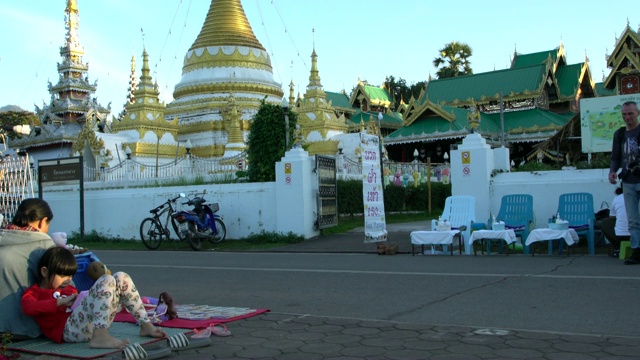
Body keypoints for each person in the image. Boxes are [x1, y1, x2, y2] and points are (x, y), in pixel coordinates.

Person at [21, 246, 166, 348]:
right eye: (62, 275)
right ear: (45, 272)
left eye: (70, 275)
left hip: (89, 324)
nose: (67, 279)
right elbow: (28, 307)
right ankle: (100, 336)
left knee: (121, 276)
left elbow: (85, 304)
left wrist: (79, 299)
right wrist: (60, 302)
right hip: (68, 331)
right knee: (106, 279)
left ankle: (145, 324)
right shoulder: (35, 292)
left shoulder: (68, 287)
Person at [0, 198, 56, 337]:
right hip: (24, 330)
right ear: (43, 221)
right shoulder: (43, 244)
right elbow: (62, 286)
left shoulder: (3, 236)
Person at [609, 100, 640, 265]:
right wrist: (612, 171)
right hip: (628, 180)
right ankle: (637, 251)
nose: (627, 117)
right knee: (633, 219)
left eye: (630, 114)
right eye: (624, 114)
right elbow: (615, 157)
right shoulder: (620, 134)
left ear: (638, 113)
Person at [601, 186, 630, 257]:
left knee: (605, 222)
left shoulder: (617, 199)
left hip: (620, 235)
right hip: (636, 233)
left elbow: (611, 216)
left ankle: (617, 248)